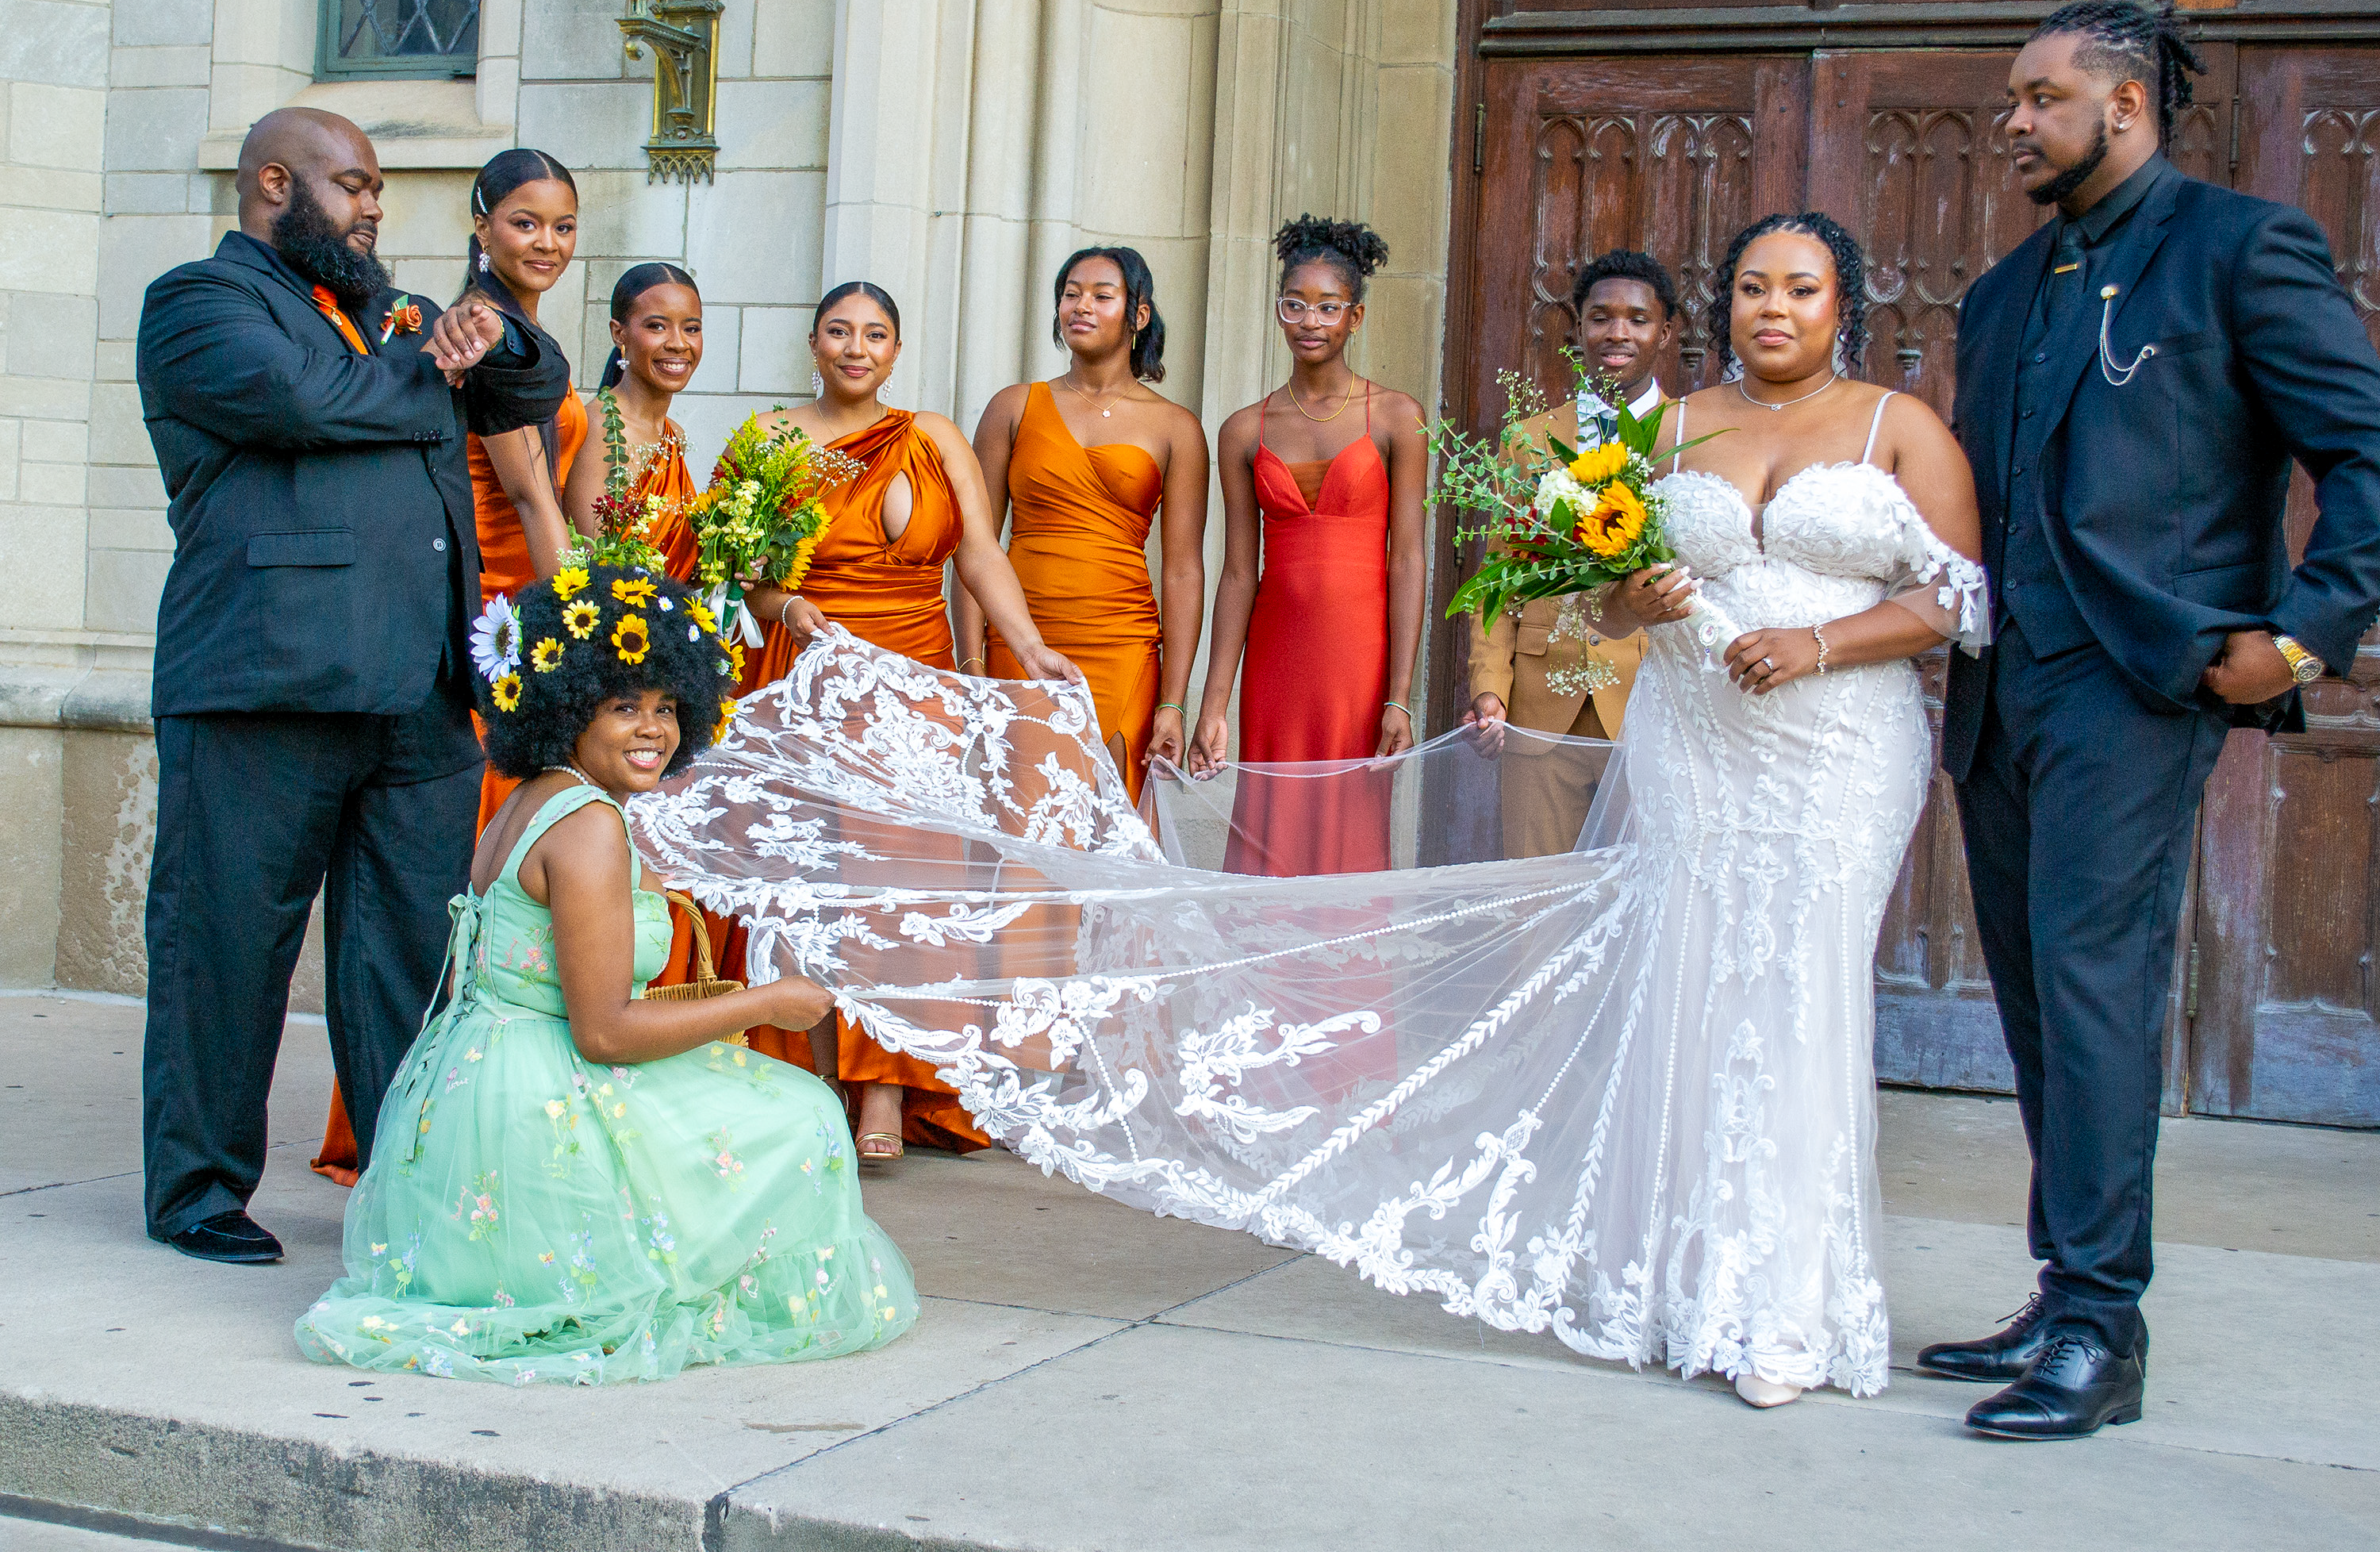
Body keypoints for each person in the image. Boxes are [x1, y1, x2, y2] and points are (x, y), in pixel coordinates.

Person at [638, 209, 1987, 1410]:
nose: (1773, 308)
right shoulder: (1679, 429)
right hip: (1690, 733)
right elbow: (1599, 579)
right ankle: (1693, 1279)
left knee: (1798, 995)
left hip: (1821, 750)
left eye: (1800, 289)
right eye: (1755, 284)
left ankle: (1798, 1300)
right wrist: (1643, 597)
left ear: (1843, 304)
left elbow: (1960, 597)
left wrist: (1812, 645)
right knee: (1693, 985)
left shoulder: (1898, 428)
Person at [1926, 2, 2380, 1440]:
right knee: (2039, 1003)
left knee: (2099, 988)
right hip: (2003, 694)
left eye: (2038, 98)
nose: (2012, 122)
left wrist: (2303, 633)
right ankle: (2068, 1280)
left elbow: (2364, 453)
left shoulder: (2242, 248)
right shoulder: (2000, 294)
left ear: (2124, 104)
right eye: (2011, 100)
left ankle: (2101, 1326)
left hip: (2141, 682)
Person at [296, 559, 917, 1382]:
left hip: (477, 1091)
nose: (653, 728)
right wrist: (766, 1003)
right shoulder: (588, 826)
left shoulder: (537, 797)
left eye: (667, 707)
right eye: (625, 706)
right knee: (802, 1116)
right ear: (568, 707)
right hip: (541, 1105)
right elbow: (605, 1032)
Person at [136, 107, 570, 1263]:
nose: (376, 206)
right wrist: (437, 361)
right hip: (266, 683)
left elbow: (532, 389)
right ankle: (197, 1194)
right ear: (276, 182)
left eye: (379, 189)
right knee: (225, 948)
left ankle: (408, 1179)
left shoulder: (391, 312)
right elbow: (304, 404)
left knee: (409, 961)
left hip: (422, 694)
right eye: (355, 185)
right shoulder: (198, 305)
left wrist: (500, 336)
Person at [733, 281, 1082, 1162]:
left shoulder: (933, 436)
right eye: (840, 332)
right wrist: (786, 607)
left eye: (876, 334)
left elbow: (979, 554)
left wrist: (1030, 648)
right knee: (812, 880)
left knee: (905, 883)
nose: (858, 348)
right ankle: (808, 1078)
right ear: (813, 342)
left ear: (897, 350)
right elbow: (746, 575)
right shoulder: (768, 439)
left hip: (916, 685)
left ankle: (886, 1087)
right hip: (812, 675)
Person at [312, 147, 593, 1187]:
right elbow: (529, 504)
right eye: (526, 223)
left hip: (513, 609)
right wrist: (577, 656)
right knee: (460, 885)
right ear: (481, 225)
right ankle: (414, 1119)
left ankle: (460, 1106)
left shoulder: (510, 330)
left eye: (563, 226)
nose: (548, 244)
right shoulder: (491, 341)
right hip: (497, 634)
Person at [1188, 217, 1430, 875]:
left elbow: (1407, 558)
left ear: (1356, 316)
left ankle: (1348, 981)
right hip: (1277, 662)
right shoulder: (1244, 430)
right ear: (1278, 310)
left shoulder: (1398, 417)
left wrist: (1399, 695)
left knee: (1351, 831)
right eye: (1295, 304)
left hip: (1360, 661)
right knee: (1272, 830)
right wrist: (1215, 706)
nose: (1310, 320)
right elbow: (1239, 574)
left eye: (1328, 306)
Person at [957, 246, 1210, 801]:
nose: (1081, 306)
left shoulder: (1176, 427)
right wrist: (971, 663)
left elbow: (1185, 573)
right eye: (1071, 294)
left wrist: (1174, 702)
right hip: (1020, 640)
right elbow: (973, 547)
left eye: (1101, 296)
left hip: (1124, 646)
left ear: (1138, 315)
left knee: (1107, 828)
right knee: (1021, 819)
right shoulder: (1013, 407)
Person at [1462, 249, 1676, 858]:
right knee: (1536, 902)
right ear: (1577, 328)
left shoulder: (1689, 435)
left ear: (1666, 331)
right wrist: (1489, 687)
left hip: (1652, 705)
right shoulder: (1528, 442)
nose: (1618, 333)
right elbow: (1497, 580)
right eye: (1601, 317)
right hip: (1537, 710)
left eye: (1637, 319)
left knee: (1649, 904)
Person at [563, 263, 702, 581]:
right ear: (619, 332)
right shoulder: (599, 429)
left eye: (691, 329)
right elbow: (593, 564)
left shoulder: (673, 433)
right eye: (657, 326)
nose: (679, 344)